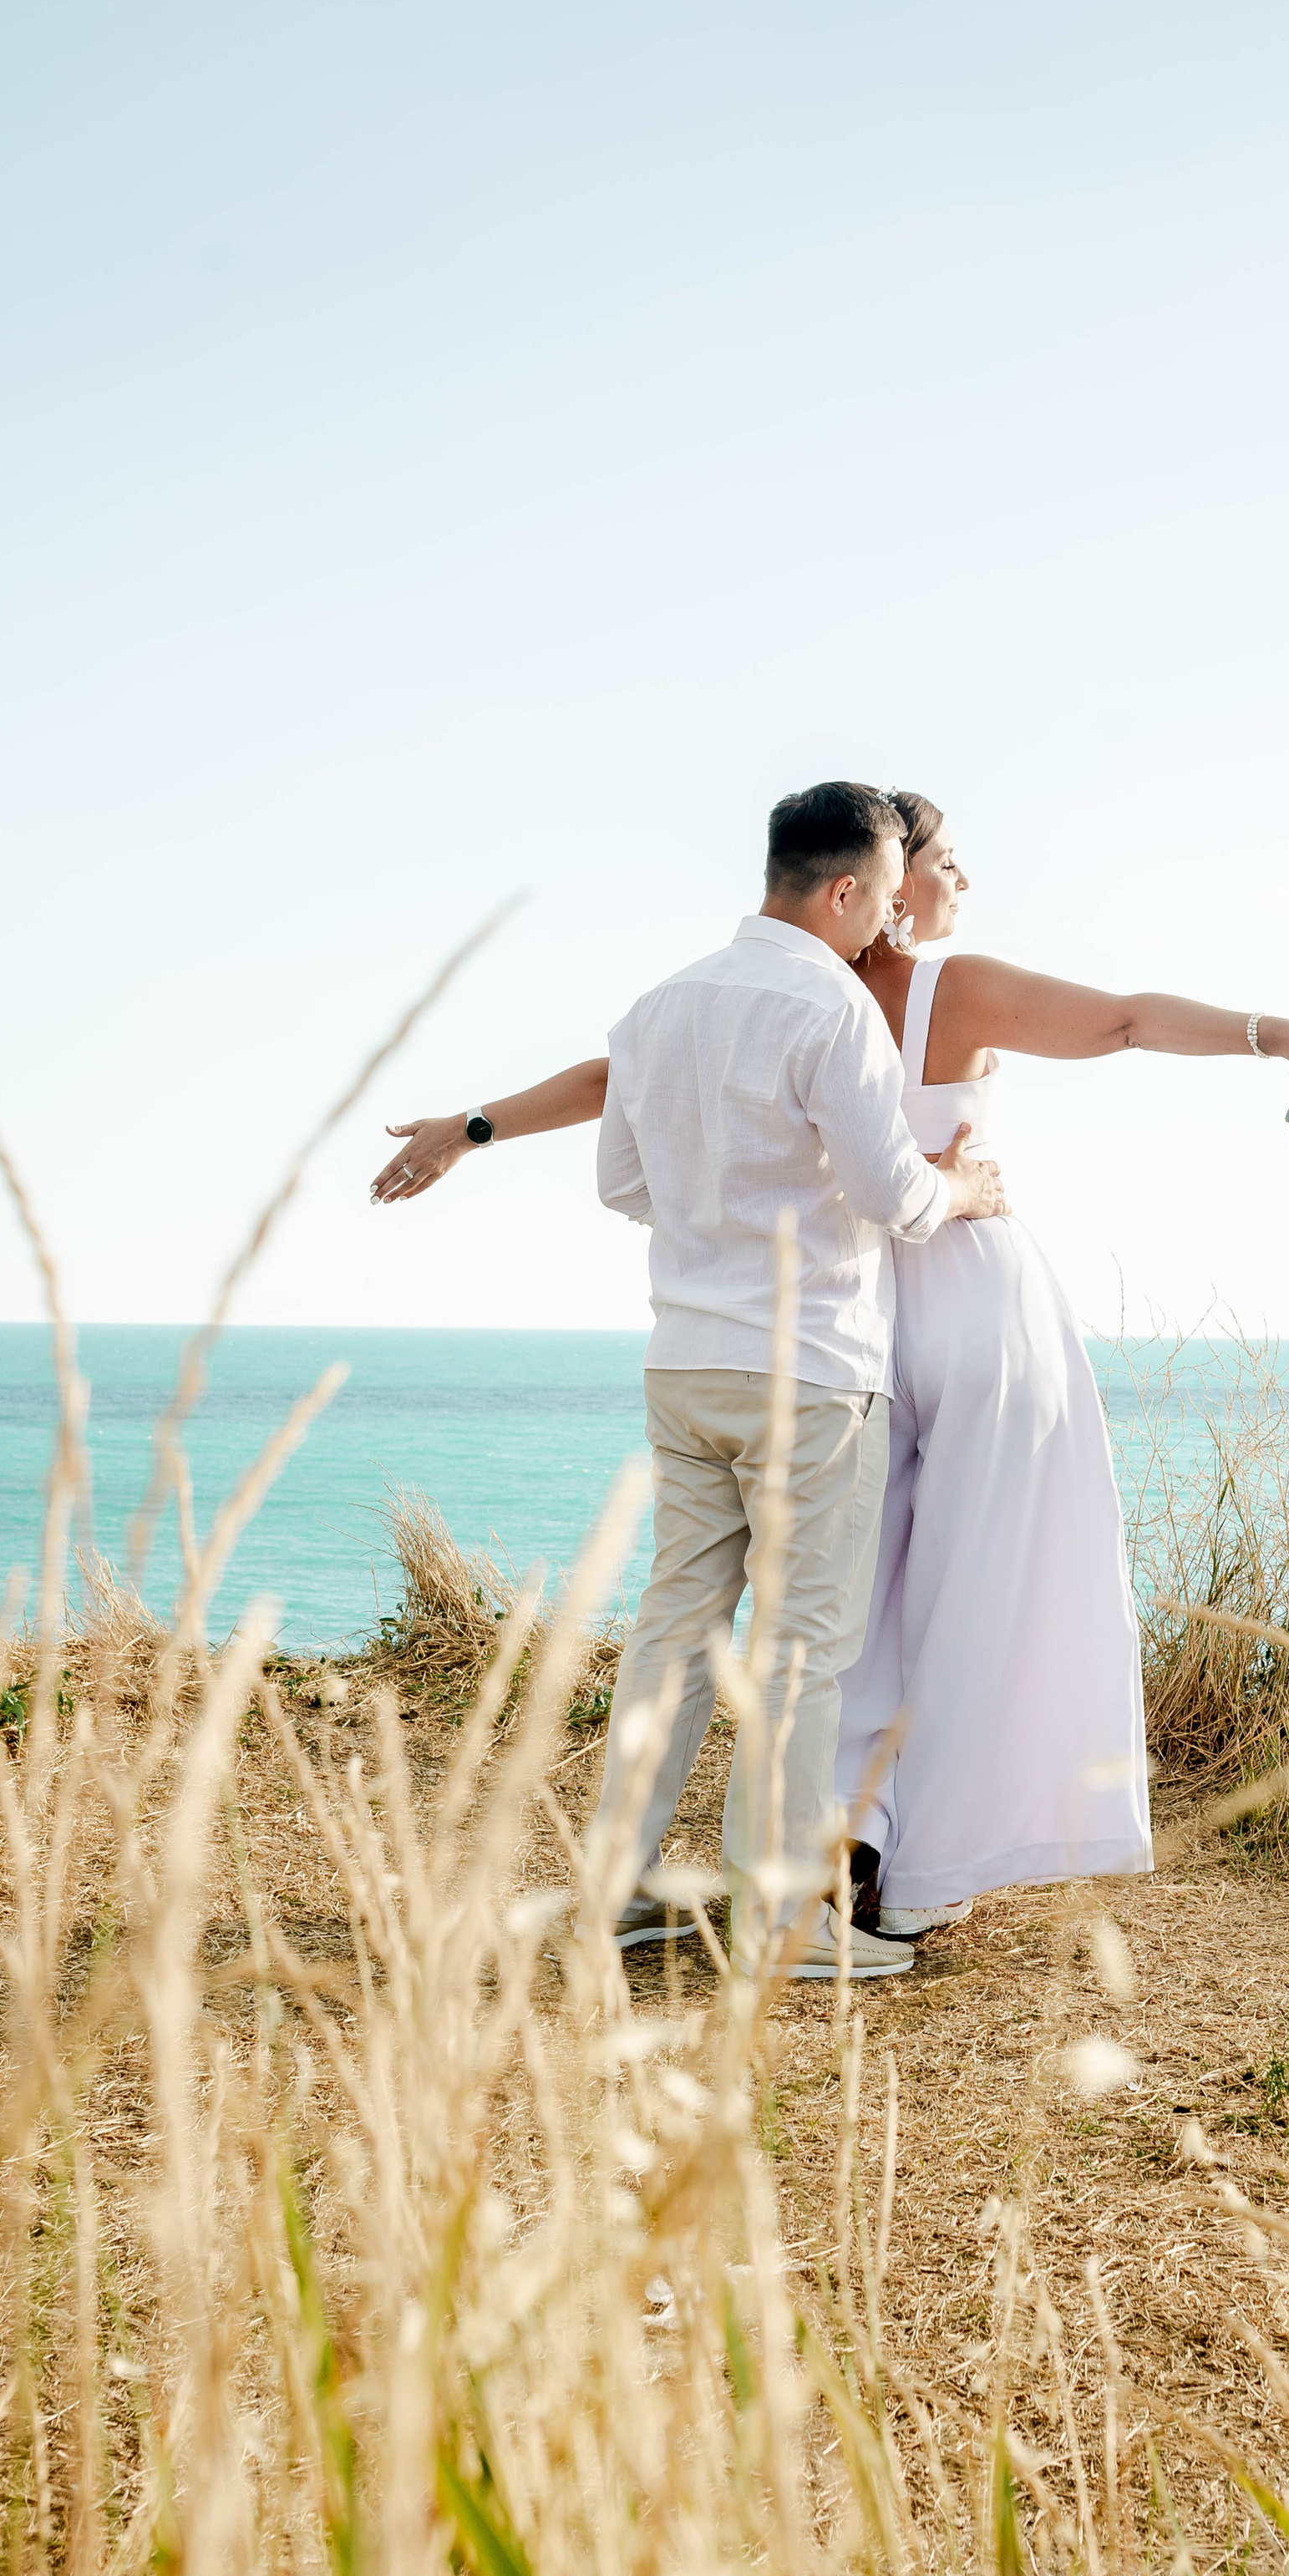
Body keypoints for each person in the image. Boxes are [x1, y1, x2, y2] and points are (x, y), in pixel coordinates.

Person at [378, 781, 1007, 1980]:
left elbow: (624, 1184)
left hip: (688, 1359)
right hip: (814, 1370)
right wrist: (966, 1187)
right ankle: (780, 1926)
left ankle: (613, 1895)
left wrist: (728, 1203)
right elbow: (897, 1200)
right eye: (879, 893)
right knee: (801, 1651)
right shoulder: (836, 1010)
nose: (885, 918)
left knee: (672, 1634)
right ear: (843, 889)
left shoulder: (663, 1004)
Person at [834, 793, 1289, 1935]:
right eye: (952, 863)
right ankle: (922, 1884)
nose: (966, 884)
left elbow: (637, 1076)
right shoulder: (949, 991)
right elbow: (1119, 1023)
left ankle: (852, 1838)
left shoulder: (805, 999)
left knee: (856, 1592)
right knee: (986, 1579)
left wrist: (478, 1128)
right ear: (894, 879)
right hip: (970, 1292)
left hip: (847, 1308)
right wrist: (1282, 1036)